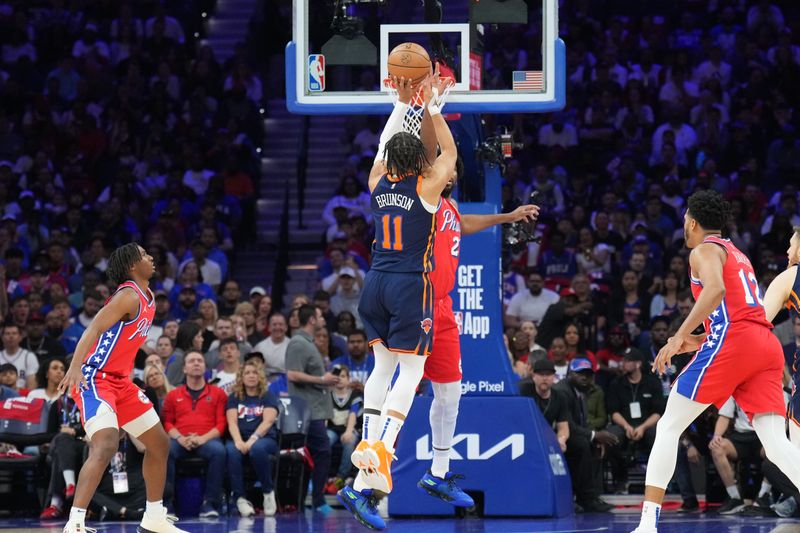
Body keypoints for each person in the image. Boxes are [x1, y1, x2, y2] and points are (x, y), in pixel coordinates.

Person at [633, 192, 800, 533]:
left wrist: (680, 334)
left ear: (692, 221)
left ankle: (647, 525)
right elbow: (737, 315)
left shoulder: (703, 250)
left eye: (684, 220)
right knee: (775, 441)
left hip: (737, 343)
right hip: (764, 347)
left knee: (667, 427)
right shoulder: (739, 254)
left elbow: (716, 293)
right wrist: (693, 342)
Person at [338, 73, 457, 530]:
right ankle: (383, 445)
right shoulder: (427, 190)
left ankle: (370, 446)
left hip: (374, 283)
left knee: (381, 370)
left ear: (389, 162)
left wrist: (399, 104)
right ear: (420, 167)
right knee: (412, 371)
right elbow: (448, 154)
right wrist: (431, 109)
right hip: (410, 285)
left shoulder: (375, 183)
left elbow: (382, 151)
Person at [57, 243, 184, 533]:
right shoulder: (128, 295)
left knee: (159, 444)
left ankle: (153, 518)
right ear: (131, 266)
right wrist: (75, 367)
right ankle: (75, 522)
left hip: (121, 381)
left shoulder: (149, 296)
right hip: (95, 377)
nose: (151, 257)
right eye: (144, 255)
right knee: (106, 443)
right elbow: (94, 329)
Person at [285, 304, 339, 514]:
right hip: (307, 411)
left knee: (312, 456)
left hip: (313, 409)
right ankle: (318, 501)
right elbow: (292, 374)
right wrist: (322, 379)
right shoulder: (298, 343)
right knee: (322, 452)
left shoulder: (308, 343)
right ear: (311, 320)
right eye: (320, 315)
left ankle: (307, 501)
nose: (323, 319)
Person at [162, 350, 228, 517]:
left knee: (219, 452)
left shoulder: (218, 393)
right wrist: (180, 438)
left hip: (207, 440)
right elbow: (167, 423)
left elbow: (221, 424)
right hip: (180, 440)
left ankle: (209, 503)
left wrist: (201, 439)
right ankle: (167, 504)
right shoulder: (173, 395)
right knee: (165, 451)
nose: (196, 363)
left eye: (200, 360)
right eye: (192, 361)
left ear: (205, 367)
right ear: (184, 369)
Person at [554, 358, 617, 512]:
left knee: (595, 445)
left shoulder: (581, 391)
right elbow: (567, 425)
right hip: (557, 435)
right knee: (582, 445)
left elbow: (583, 422)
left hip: (572, 433)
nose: (584, 378)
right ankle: (584, 497)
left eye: (588, 374)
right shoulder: (563, 391)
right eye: (580, 374)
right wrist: (594, 435)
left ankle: (590, 496)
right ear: (570, 374)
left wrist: (596, 438)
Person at [225, 359, 280, 517]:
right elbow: (232, 423)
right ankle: (240, 499)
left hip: (265, 439)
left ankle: (268, 493)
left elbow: (268, 421)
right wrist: (238, 441)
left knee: (257, 449)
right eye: (247, 373)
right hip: (239, 438)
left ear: (260, 376)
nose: (251, 376)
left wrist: (251, 441)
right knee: (231, 451)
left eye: (255, 372)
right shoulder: (234, 397)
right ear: (241, 377)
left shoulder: (267, 396)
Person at [709, 397, 764, 514]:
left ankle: (764, 495)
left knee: (774, 450)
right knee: (717, 448)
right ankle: (734, 497)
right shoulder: (735, 387)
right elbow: (724, 416)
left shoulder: (771, 385)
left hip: (763, 434)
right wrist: (716, 436)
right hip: (740, 435)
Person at [327, 365, 363, 487]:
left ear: (348, 378)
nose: (340, 379)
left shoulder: (354, 396)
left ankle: (341, 477)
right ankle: (325, 476)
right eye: (337, 376)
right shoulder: (328, 395)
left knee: (349, 441)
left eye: (343, 376)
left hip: (349, 428)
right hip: (332, 429)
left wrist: (348, 432)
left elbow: (353, 413)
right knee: (325, 440)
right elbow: (325, 416)